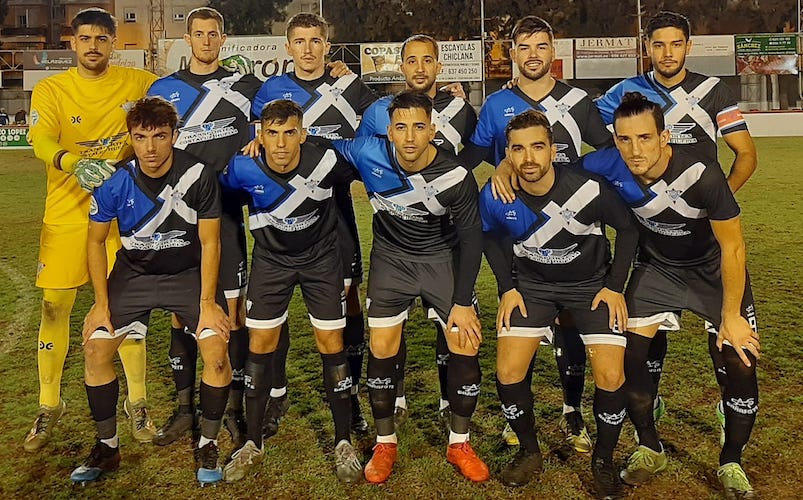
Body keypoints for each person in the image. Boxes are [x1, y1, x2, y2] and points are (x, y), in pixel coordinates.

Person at [586, 92, 759, 500]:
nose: (634, 149)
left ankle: (731, 459)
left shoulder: (704, 174)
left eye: (645, 138)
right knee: (627, 355)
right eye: (624, 139)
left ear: (665, 137)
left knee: (740, 359)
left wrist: (731, 314)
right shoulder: (606, 163)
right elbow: (557, 176)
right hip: (655, 268)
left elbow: (733, 247)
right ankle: (650, 445)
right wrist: (505, 166)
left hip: (711, 271)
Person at [595, 11, 758, 441]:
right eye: (658, 44)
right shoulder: (625, 92)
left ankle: (729, 414)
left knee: (729, 345)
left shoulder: (713, 90)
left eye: (676, 44)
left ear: (688, 46)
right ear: (646, 47)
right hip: (652, 238)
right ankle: (649, 403)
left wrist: (715, 203)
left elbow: (745, 154)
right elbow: (588, 130)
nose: (667, 53)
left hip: (704, 231)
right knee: (641, 341)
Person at [461, 15, 613, 451]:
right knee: (522, 323)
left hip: (575, 232)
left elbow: (606, 152)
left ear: (553, 52)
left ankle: (572, 413)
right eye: (524, 47)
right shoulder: (495, 104)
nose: (533, 55)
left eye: (541, 47)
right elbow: (473, 155)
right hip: (521, 231)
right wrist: (495, 168)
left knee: (570, 324)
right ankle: (517, 418)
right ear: (512, 53)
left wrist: (569, 179)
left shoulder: (579, 101)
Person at [69, 96, 231, 486]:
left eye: (160, 136)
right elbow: (95, 243)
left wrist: (208, 304)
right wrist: (100, 304)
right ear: (131, 137)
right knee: (96, 348)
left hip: (187, 274)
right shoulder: (115, 180)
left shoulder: (198, 175)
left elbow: (211, 243)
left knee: (216, 351)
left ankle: (208, 443)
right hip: (133, 275)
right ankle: (107, 447)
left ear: (174, 135)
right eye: (140, 137)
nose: (151, 148)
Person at [333, 90, 488, 484]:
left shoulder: (455, 176)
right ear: (389, 131)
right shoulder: (367, 152)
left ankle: (459, 443)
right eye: (400, 127)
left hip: (443, 260)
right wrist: (260, 139)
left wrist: (462, 302)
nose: (410, 136)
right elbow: (318, 145)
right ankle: (385, 443)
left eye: (419, 126)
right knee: (382, 346)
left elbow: (472, 240)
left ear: (433, 130)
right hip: (391, 261)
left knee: (464, 340)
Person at [481, 110, 637, 496]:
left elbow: (629, 229)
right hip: (531, 287)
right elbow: (489, 236)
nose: (528, 158)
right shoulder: (498, 193)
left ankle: (602, 460)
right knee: (507, 372)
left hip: (590, 287)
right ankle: (530, 452)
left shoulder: (588, 188)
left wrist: (615, 286)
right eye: (518, 149)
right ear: (508, 154)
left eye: (537, 147)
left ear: (553, 150)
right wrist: (507, 288)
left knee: (611, 377)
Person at [25, 7, 156, 452]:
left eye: (102, 38)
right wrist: (73, 163)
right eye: (86, 39)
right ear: (73, 43)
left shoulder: (137, 84)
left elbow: (182, 95)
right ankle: (49, 404)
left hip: (122, 217)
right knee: (54, 308)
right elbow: (40, 139)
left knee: (125, 309)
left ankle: (137, 401)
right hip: (66, 214)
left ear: (113, 42)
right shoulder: (51, 88)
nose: (94, 46)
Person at [219, 100, 362, 484]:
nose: (281, 144)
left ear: (302, 133)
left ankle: (343, 442)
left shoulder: (327, 162)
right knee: (260, 343)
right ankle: (252, 443)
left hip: (321, 262)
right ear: (260, 136)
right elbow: (222, 203)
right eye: (272, 134)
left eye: (289, 133)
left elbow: (369, 166)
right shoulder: (242, 167)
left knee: (331, 343)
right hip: (271, 263)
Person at [251, 12, 378, 438]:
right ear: (288, 48)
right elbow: (258, 138)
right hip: (281, 211)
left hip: (335, 207)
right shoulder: (271, 90)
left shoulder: (350, 86)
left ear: (328, 45)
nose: (307, 49)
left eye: (315, 41)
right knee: (276, 303)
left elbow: (377, 129)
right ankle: (277, 391)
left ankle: (351, 391)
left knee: (349, 295)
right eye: (299, 41)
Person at [145, 6, 262, 448]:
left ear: (223, 38)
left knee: (231, 312)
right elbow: (148, 147)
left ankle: (230, 406)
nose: (206, 41)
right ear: (188, 39)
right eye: (198, 34)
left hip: (227, 213)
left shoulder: (247, 87)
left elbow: (282, 114)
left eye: (214, 34)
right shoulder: (164, 90)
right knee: (183, 311)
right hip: (178, 214)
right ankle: (183, 409)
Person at [355, 33, 478, 430]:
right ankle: (399, 394)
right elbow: (364, 154)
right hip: (395, 235)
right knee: (392, 326)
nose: (420, 68)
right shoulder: (379, 111)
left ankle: (448, 399)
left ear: (439, 67)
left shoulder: (461, 109)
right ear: (402, 66)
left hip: (446, 233)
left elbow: (479, 153)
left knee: (454, 329)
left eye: (428, 60)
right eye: (412, 60)